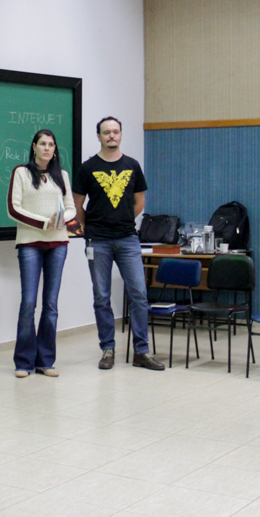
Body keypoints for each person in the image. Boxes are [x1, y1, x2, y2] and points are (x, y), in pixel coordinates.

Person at [72, 117, 165, 371]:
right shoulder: (88, 168)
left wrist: (121, 220)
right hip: (97, 240)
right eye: (106, 132)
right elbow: (77, 205)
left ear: (121, 135)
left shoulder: (132, 165)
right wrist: (91, 227)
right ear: (99, 136)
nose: (111, 135)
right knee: (101, 296)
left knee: (139, 295)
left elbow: (139, 202)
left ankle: (141, 352)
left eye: (115, 131)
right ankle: (108, 349)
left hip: (128, 239)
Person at [7, 129, 77, 378]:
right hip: (30, 243)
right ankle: (24, 362)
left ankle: (45, 361)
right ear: (34, 147)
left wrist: (61, 219)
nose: (47, 148)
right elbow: (13, 209)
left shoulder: (62, 175)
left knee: (51, 304)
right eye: (43, 144)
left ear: (55, 150)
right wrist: (44, 223)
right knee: (29, 303)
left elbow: (71, 208)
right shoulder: (21, 173)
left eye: (51, 145)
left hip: (58, 243)